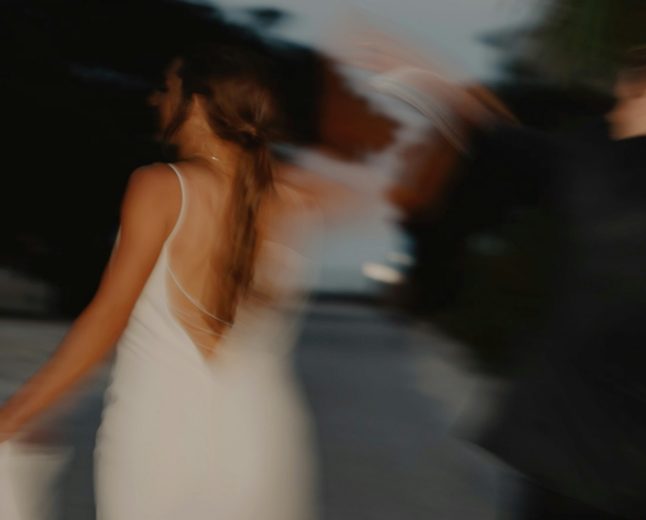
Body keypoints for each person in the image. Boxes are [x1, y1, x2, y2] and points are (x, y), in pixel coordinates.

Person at [369, 38, 646, 519]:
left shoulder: (611, 170)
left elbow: (504, 142)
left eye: (632, 96)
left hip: (576, 468)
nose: (618, 112)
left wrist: (436, 86)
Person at [0, 43, 389, 519]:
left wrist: (16, 414)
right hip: (262, 441)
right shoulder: (296, 199)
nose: (156, 99)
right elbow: (385, 187)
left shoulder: (161, 187)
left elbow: (106, 319)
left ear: (198, 104)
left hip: (160, 442)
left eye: (168, 89)